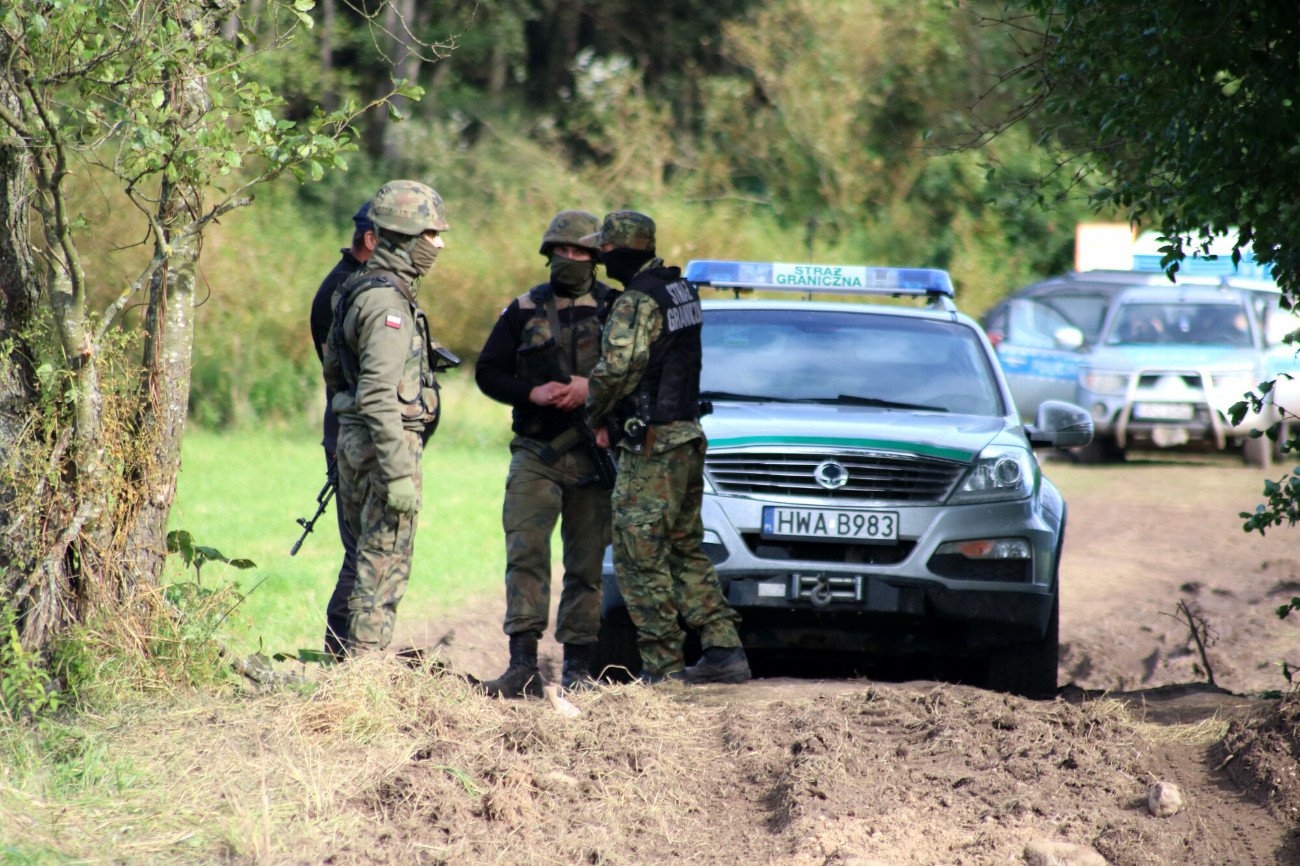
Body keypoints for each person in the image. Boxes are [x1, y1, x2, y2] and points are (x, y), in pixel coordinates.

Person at [583, 210, 751, 684]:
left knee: (639, 555)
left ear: (617, 250)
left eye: (604, 250)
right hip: (686, 436)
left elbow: (618, 368)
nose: (600, 258)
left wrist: (594, 415)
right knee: (684, 549)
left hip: (653, 446)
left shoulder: (637, 299)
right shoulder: (680, 290)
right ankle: (723, 651)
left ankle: (662, 669)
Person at [474, 210, 619, 696]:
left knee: (586, 564)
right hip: (537, 451)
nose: (570, 259)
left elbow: (641, 379)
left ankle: (580, 668)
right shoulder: (522, 309)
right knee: (526, 553)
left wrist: (591, 391)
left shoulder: (618, 308)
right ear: (548, 254)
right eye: (562, 251)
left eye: (580, 252)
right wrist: (529, 394)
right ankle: (522, 665)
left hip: (596, 455)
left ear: (596, 258)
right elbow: (488, 372)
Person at [321, 180, 450, 655]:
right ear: (405, 236)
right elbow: (377, 394)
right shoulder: (388, 305)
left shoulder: (355, 288)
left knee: (364, 558)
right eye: (431, 235)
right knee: (383, 564)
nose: (439, 246)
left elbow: (336, 373)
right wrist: (398, 474)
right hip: (384, 444)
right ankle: (362, 679)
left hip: (357, 441)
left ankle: (349, 668)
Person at [309, 201, 377, 659]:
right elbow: (352, 374)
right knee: (362, 550)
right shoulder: (347, 289)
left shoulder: (354, 285)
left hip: (357, 430)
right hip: (354, 433)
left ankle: (351, 658)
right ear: (372, 240)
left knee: (367, 547)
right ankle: (343, 658)